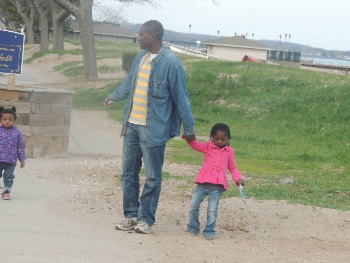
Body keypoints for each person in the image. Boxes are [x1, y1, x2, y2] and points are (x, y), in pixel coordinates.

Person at [103, 20, 195, 234]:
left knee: (152, 177)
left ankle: (146, 219)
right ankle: (131, 216)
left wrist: (188, 129)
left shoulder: (171, 63)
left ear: (152, 37)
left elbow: (181, 98)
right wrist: (112, 97)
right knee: (128, 174)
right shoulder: (140, 58)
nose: (138, 37)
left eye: (141, 34)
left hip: (153, 130)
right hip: (131, 126)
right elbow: (129, 85)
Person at [182, 123, 245, 240]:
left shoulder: (230, 152)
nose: (220, 141)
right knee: (193, 206)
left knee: (212, 210)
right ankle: (193, 226)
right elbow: (196, 145)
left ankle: (209, 230)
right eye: (217, 139)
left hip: (217, 187)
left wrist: (238, 179)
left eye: (223, 139)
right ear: (211, 137)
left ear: (228, 139)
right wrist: (189, 139)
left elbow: (233, 168)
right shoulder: (207, 146)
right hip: (202, 183)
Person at [0, 106, 26, 200]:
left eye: (10, 119)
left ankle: (6, 192)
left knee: (9, 177)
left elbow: (21, 146)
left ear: (14, 120)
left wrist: (22, 159)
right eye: (4, 119)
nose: (7, 121)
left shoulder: (17, 133)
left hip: (11, 161)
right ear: (0, 120)